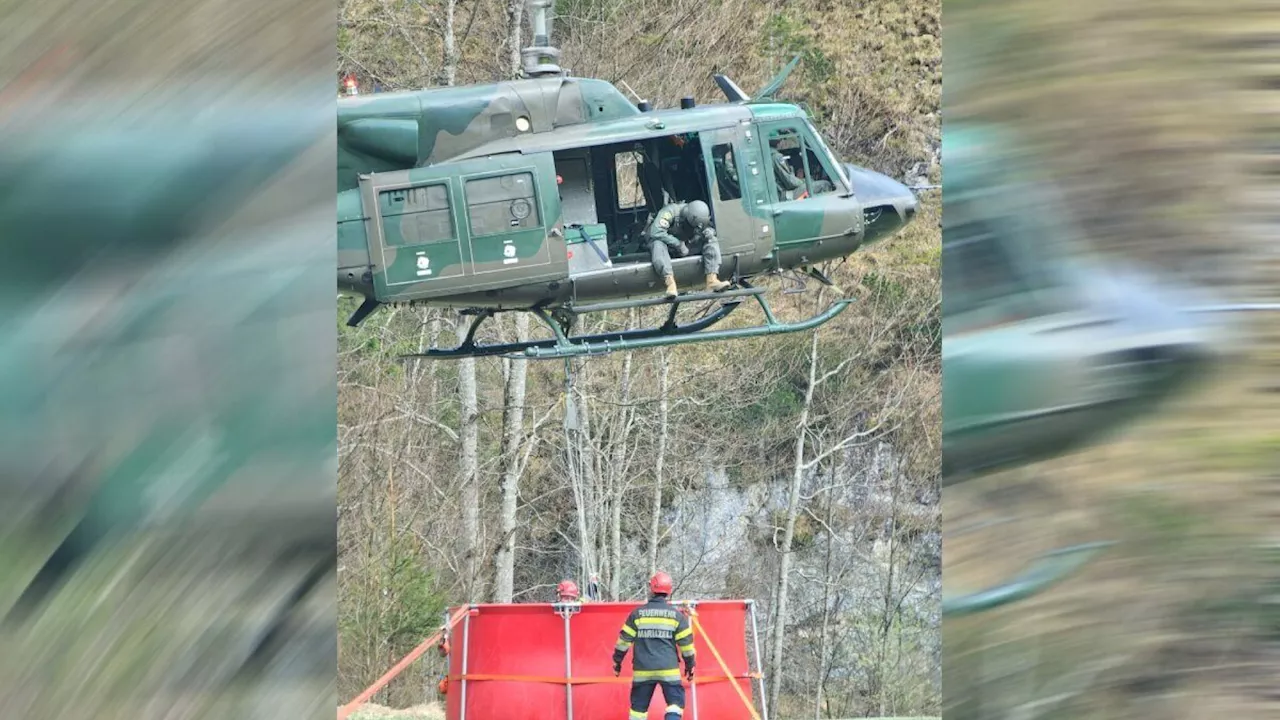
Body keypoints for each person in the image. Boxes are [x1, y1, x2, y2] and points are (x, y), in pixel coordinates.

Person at [611, 571, 696, 720]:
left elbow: (623, 641)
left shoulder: (637, 614)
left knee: (638, 709)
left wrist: (617, 661)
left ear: (651, 589)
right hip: (668, 669)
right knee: (675, 703)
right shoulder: (676, 616)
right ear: (669, 591)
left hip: (643, 669)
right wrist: (690, 665)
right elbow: (687, 646)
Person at [644, 200, 730, 297]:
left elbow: (709, 227)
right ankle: (670, 283)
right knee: (657, 244)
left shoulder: (700, 217)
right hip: (668, 247)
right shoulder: (670, 212)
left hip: (687, 245)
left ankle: (712, 280)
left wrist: (710, 231)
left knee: (711, 240)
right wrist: (678, 244)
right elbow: (656, 232)